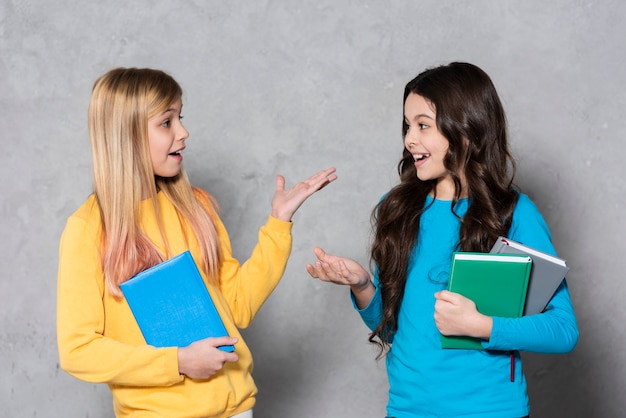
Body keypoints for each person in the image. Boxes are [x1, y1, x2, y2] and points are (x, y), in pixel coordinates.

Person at [56, 67, 337, 418]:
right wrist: (177, 362)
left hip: (237, 410)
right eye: (166, 122)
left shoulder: (196, 206)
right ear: (125, 134)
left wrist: (279, 222)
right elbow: (77, 350)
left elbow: (238, 305)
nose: (184, 133)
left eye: (180, 118)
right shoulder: (87, 228)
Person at [306, 62, 578, 418]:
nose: (409, 139)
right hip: (407, 410)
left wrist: (481, 326)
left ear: (466, 130)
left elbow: (562, 330)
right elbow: (390, 329)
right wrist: (362, 286)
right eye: (407, 126)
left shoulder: (512, 213)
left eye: (422, 125)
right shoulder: (397, 209)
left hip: (491, 411)